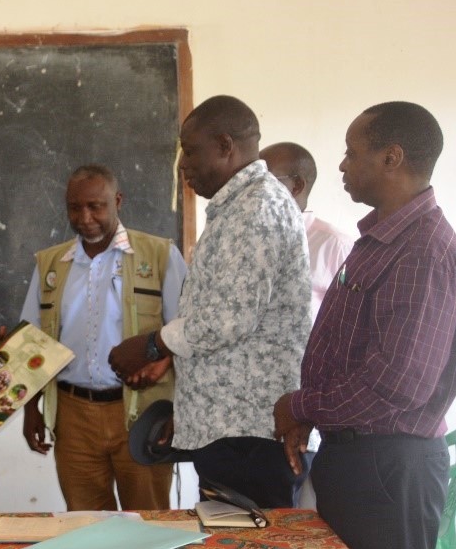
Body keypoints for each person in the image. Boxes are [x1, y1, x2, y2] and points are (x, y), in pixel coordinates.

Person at [274, 102, 456, 549]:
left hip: (389, 465)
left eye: (353, 151)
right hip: (363, 458)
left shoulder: (421, 251)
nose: (341, 164)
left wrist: (303, 404)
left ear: (393, 158)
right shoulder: (383, 237)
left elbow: (399, 385)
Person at [109, 96, 310, 508]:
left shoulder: (257, 208)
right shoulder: (237, 207)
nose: (182, 164)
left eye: (190, 149)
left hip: (248, 433)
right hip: (229, 424)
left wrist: (150, 345)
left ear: (224, 145)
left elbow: (227, 320)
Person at [20, 165, 187, 511]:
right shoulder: (50, 264)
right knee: (86, 525)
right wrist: (30, 410)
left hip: (142, 412)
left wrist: (170, 385)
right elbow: (32, 342)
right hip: (73, 415)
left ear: (118, 201)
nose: (85, 218)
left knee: (148, 523)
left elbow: (188, 331)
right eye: (75, 208)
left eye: (96, 206)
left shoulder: (159, 255)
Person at [261, 141, 356, 319]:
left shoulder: (334, 244)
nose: (252, 191)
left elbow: (349, 318)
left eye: (263, 181)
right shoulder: (251, 240)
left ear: (296, 186)